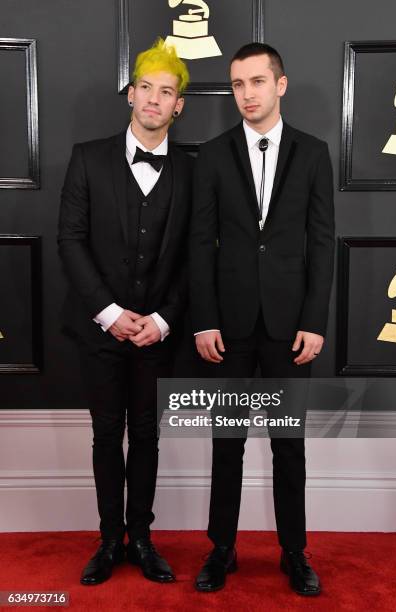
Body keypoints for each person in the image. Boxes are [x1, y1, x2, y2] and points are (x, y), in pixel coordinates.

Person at [190, 42, 335, 595]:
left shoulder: (314, 152)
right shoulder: (213, 153)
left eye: (256, 82)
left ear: (280, 84)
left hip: (289, 324)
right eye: (236, 84)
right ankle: (221, 549)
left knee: (288, 441)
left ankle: (294, 552)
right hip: (227, 324)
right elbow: (201, 244)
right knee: (227, 439)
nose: (245, 94)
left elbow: (322, 244)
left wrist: (315, 320)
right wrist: (204, 321)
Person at [58, 38, 193, 586]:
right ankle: (110, 540)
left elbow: (195, 256)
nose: (154, 100)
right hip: (100, 329)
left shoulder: (191, 169)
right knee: (105, 433)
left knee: (148, 434)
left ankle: (142, 537)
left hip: (159, 332)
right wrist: (110, 313)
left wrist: (161, 319)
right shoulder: (87, 158)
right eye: (146, 89)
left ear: (178, 104)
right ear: (130, 94)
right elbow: (70, 241)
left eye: (167, 93)